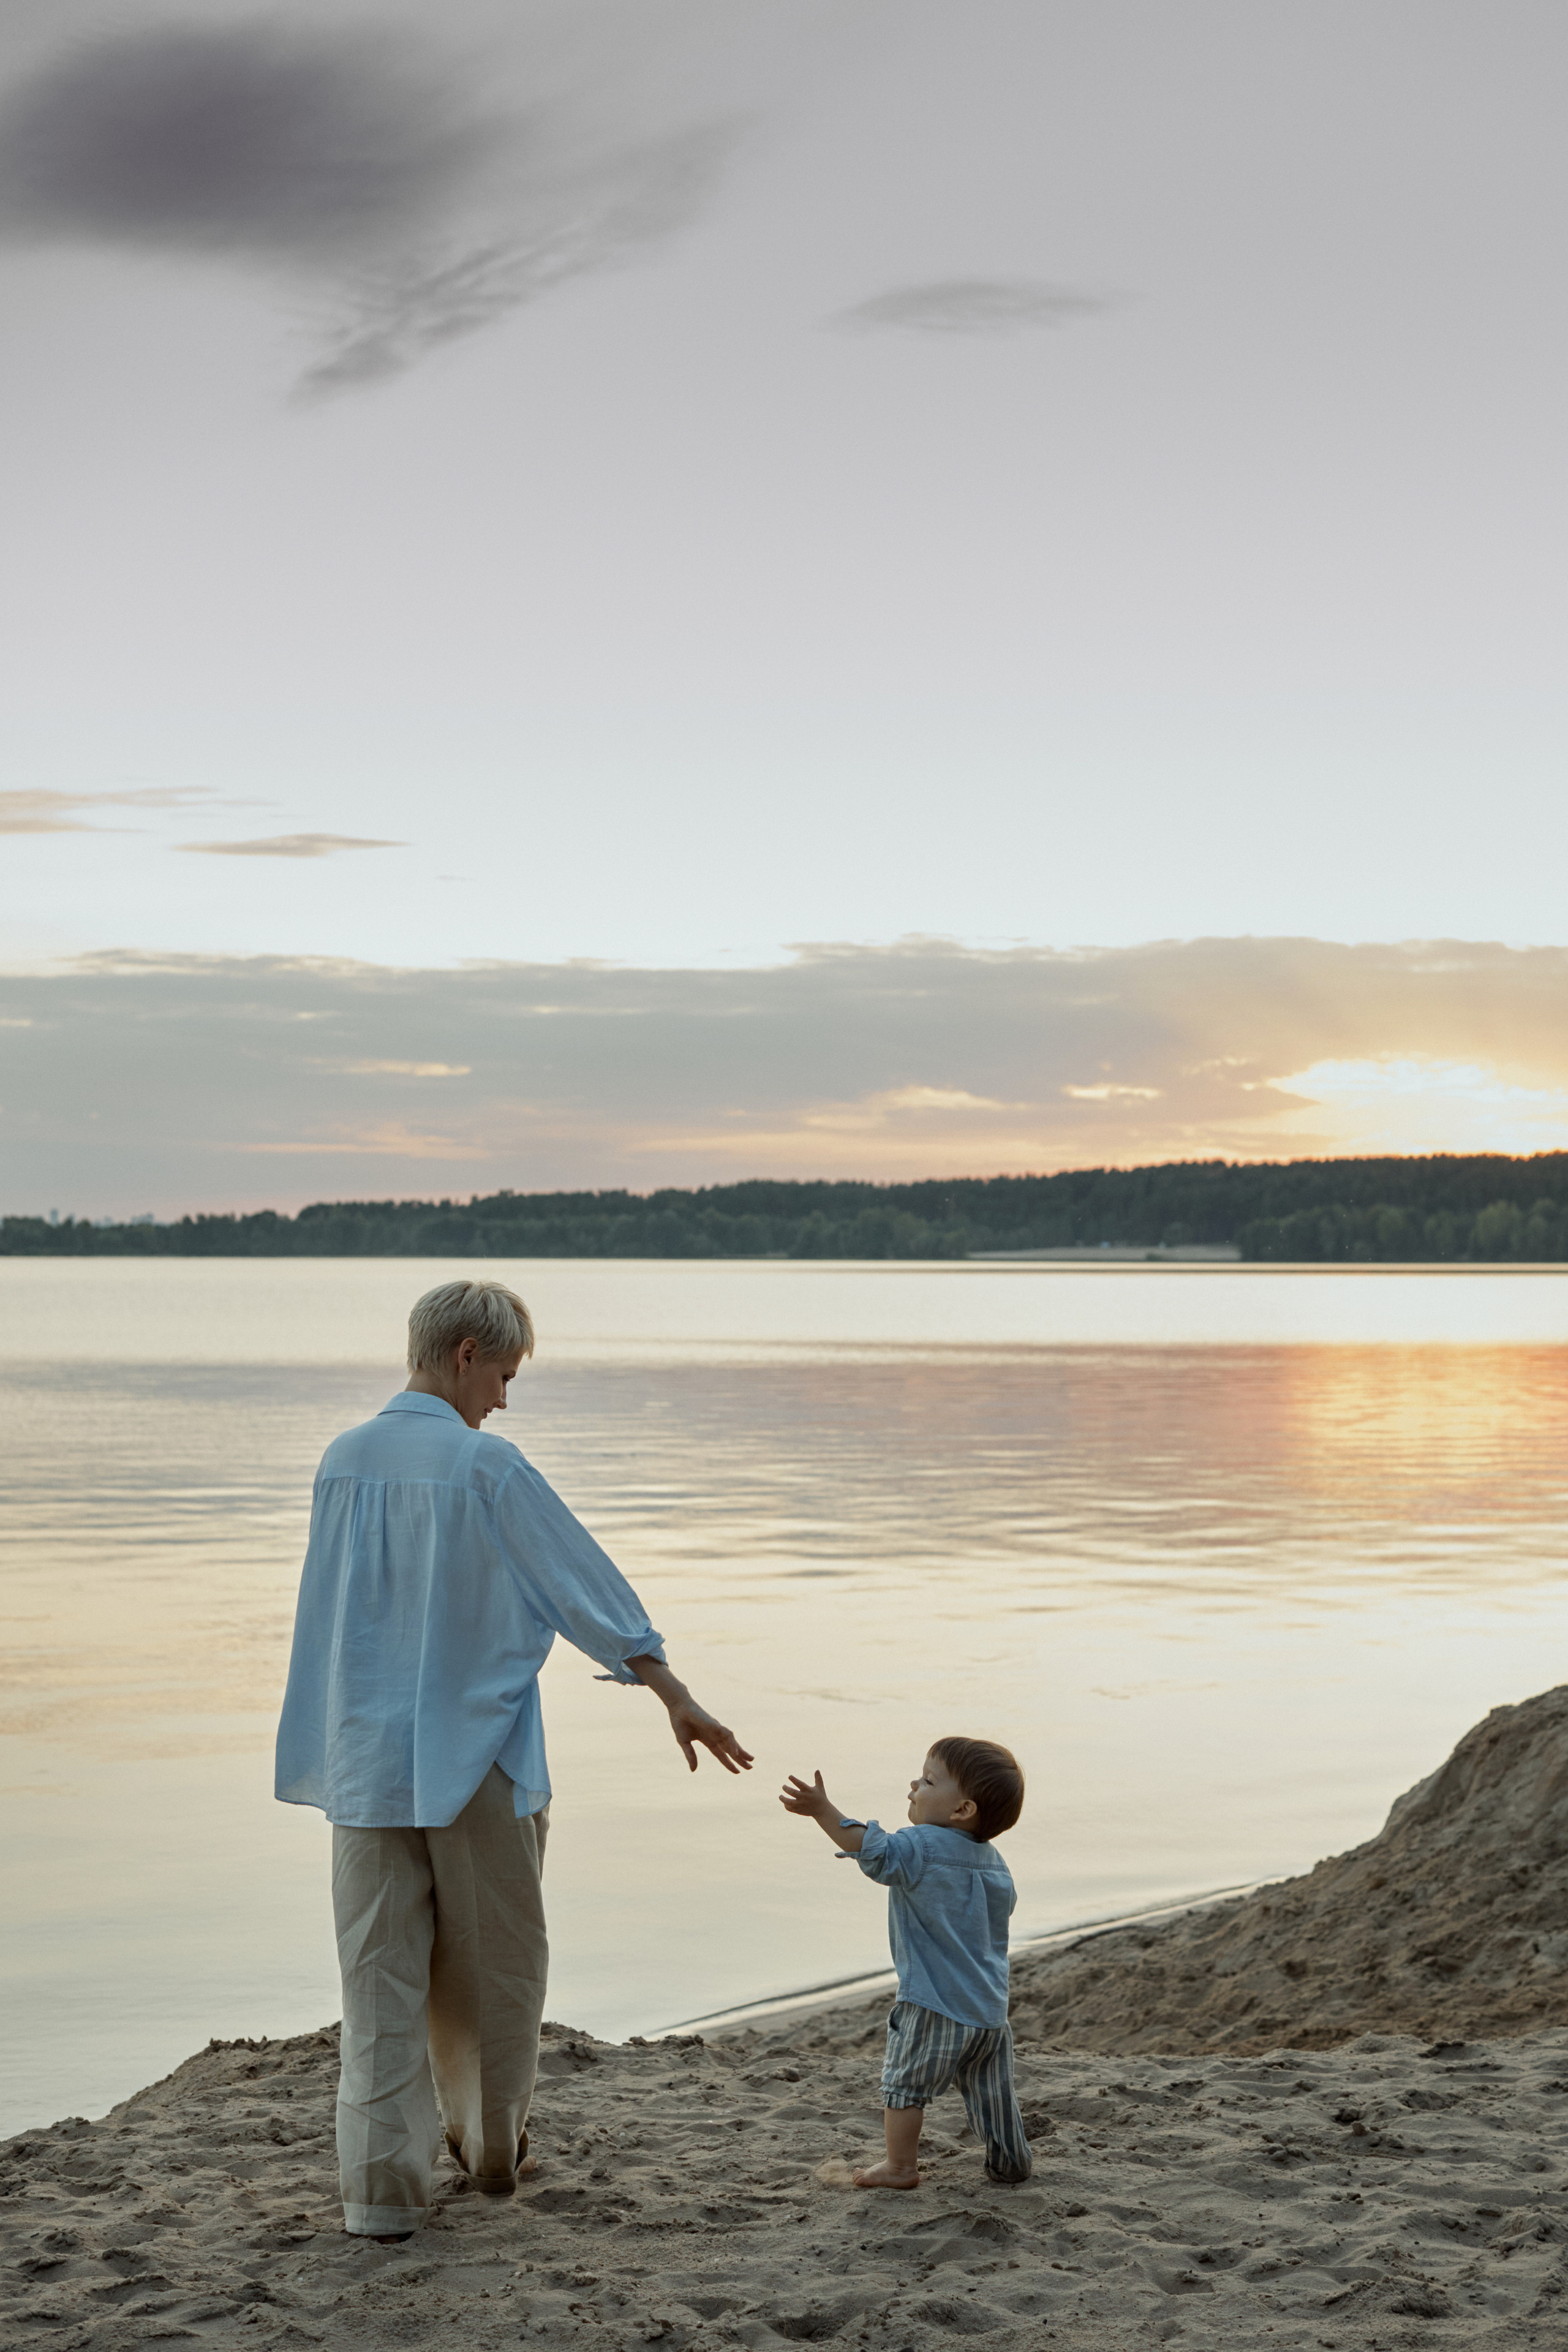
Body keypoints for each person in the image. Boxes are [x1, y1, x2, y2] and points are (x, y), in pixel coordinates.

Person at [275, 1276, 752, 2242]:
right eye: (502, 1376)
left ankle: (380, 2198)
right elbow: (580, 1586)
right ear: (465, 1354)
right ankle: (492, 2157)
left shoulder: (341, 1460)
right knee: (497, 1973)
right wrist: (673, 1692)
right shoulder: (485, 1467)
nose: (503, 1399)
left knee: (377, 1986)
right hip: (475, 1762)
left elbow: (334, 1619)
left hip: (365, 1764)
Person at [781, 1738, 1031, 2190]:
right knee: (993, 2095)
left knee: (904, 2087)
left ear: (963, 1809)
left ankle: (900, 2167)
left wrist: (823, 1810)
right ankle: (1011, 2162)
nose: (915, 1784)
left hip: (933, 2003)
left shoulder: (921, 1846)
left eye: (929, 1781)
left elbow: (872, 1849)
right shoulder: (997, 1866)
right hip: (991, 2011)